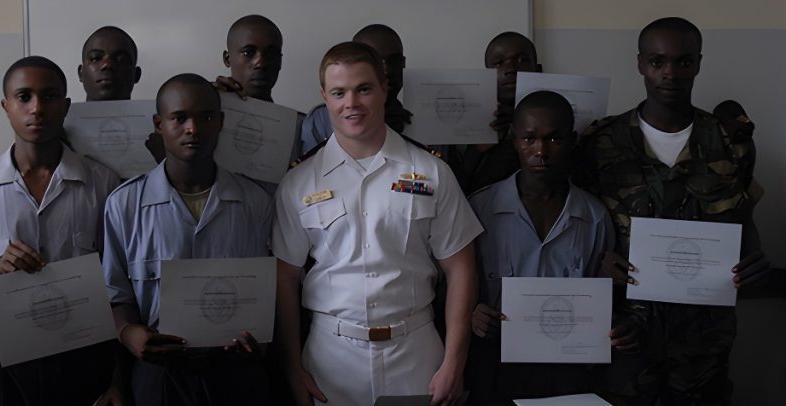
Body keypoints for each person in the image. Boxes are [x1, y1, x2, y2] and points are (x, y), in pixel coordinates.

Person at [574, 17, 770, 405]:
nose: (670, 73)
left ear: (698, 63)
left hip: (704, 343)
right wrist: (597, 264)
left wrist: (753, 262)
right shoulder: (599, 142)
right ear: (640, 64)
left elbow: (743, 219)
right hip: (625, 335)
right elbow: (579, 227)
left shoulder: (731, 143)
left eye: (683, 62)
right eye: (657, 61)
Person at [273, 41, 481, 406]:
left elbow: (460, 267)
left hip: (416, 354)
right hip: (330, 358)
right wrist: (292, 366)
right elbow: (285, 276)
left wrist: (454, 361)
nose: (350, 103)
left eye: (363, 89)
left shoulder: (431, 171)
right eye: (338, 92)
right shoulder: (298, 183)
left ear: (384, 88)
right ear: (324, 96)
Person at [0, 56, 121, 406]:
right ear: (6, 106)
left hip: (82, 346)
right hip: (2, 350)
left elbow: (117, 284)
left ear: (66, 105)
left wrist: (116, 376)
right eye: (24, 97)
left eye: (49, 96)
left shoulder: (102, 182)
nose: (37, 108)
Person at [102, 73, 274, 405]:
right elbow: (115, 293)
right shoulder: (124, 204)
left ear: (221, 122)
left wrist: (259, 339)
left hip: (235, 370)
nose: (193, 129)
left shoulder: (255, 202)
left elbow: (267, 292)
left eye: (206, 116)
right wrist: (127, 333)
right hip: (159, 372)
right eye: (179, 118)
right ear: (159, 123)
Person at [465, 91, 642, 403]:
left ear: (572, 140)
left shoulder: (595, 217)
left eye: (554, 139)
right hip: (494, 367)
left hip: (569, 372)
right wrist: (473, 315)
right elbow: (454, 290)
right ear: (513, 139)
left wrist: (616, 323)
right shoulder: (479, 209)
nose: (541, 151)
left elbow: (604, 300)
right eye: (529, 139)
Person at [448, 31, 542, 194]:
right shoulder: (462, 129)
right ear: (486, 76)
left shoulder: (558, 122)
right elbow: (452, 191)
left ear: (538, 70)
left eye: (522, 60)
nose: (511, 69)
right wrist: (476, 152)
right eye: (499, 63)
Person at [299, 24, 411, 156]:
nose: (387, 70)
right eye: (375, 62)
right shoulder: (319, 121)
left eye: (395, 61)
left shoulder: (417, 120)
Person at [213, 14, 283, 102]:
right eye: (248, 53)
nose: (261, 64)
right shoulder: (206, 100)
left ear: (280, 61)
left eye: (271, 54)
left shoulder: (293, 116)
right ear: (227, 59)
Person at [78, 25, 142, 102]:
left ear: (136, 74)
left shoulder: (155, 113)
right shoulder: (67, 114)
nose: (107, 64)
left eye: (122, 60)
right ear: (81, 73)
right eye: (95, 58)